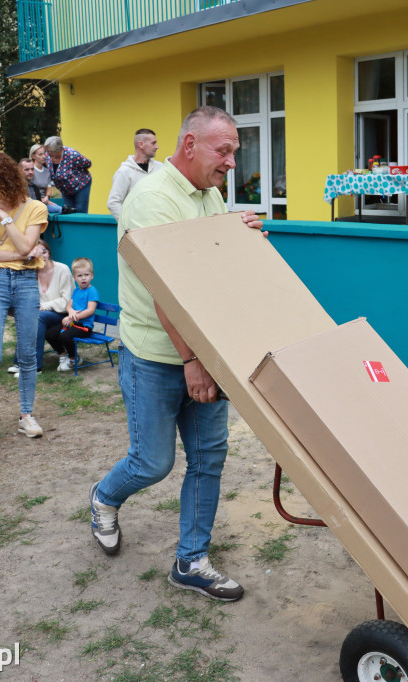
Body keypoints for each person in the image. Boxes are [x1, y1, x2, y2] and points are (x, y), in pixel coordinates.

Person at [90, 106, 264, 603]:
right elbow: (168, 292)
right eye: (223, 150)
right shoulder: (150, 201)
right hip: (158, 355)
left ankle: (191, 561)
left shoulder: (209, 194)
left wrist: (239, 234)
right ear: (190, 145)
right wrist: (194, 361)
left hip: (203, 350)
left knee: (209, 457)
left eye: (235, 150)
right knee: (152, 462)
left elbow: (207, 262)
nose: (233, 161)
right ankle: (104, 497)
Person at [0, 152, 48, 443]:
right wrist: (20, 255)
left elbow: (28, 242)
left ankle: (26, 415)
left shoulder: (36, 208)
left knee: (28, 355)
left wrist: (4, 219)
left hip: (27, 283)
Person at [8, 239, 73, 378]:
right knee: (28, 316)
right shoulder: (31, 272)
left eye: (44, 251)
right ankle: (19, 362)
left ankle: (33, 367)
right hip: (40, 314)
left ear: (49, 252)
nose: (42, 255)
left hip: (61, 314)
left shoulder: (62, 269)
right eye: (37, 252)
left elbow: (66, 300)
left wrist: (44, 306)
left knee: (37, 317)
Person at [44, 257, 98, 372]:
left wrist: (72, 317)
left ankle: (74, 358)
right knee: (49, 333)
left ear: (92, 275)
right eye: (79, 275)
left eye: (86, 274)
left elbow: (90, 310)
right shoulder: (76, 291)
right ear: (74, 277)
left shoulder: (92, 291)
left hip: (84, 327)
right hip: (74, 323)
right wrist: (71, 312)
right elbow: (69, 305)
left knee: (64, 336)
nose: (83, 278)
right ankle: (62, 353)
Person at [107, 128, 162, 221]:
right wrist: (128, 225)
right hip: (136, 231)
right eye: (153, 143)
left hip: (158, 227)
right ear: (141, 144)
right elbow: (113, 203)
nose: (157, 146)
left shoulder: (160, 167)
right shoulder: (124, 172)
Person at [44, 136, 92, 214]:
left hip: (80, 185)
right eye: (47, 150)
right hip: (65, 189)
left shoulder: (72, 154)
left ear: (58, 150)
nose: (47, 152)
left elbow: (87, 163)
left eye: (50, 151)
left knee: (80, 211)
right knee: (68, 211)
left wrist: (75, 173)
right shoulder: (47, 156)